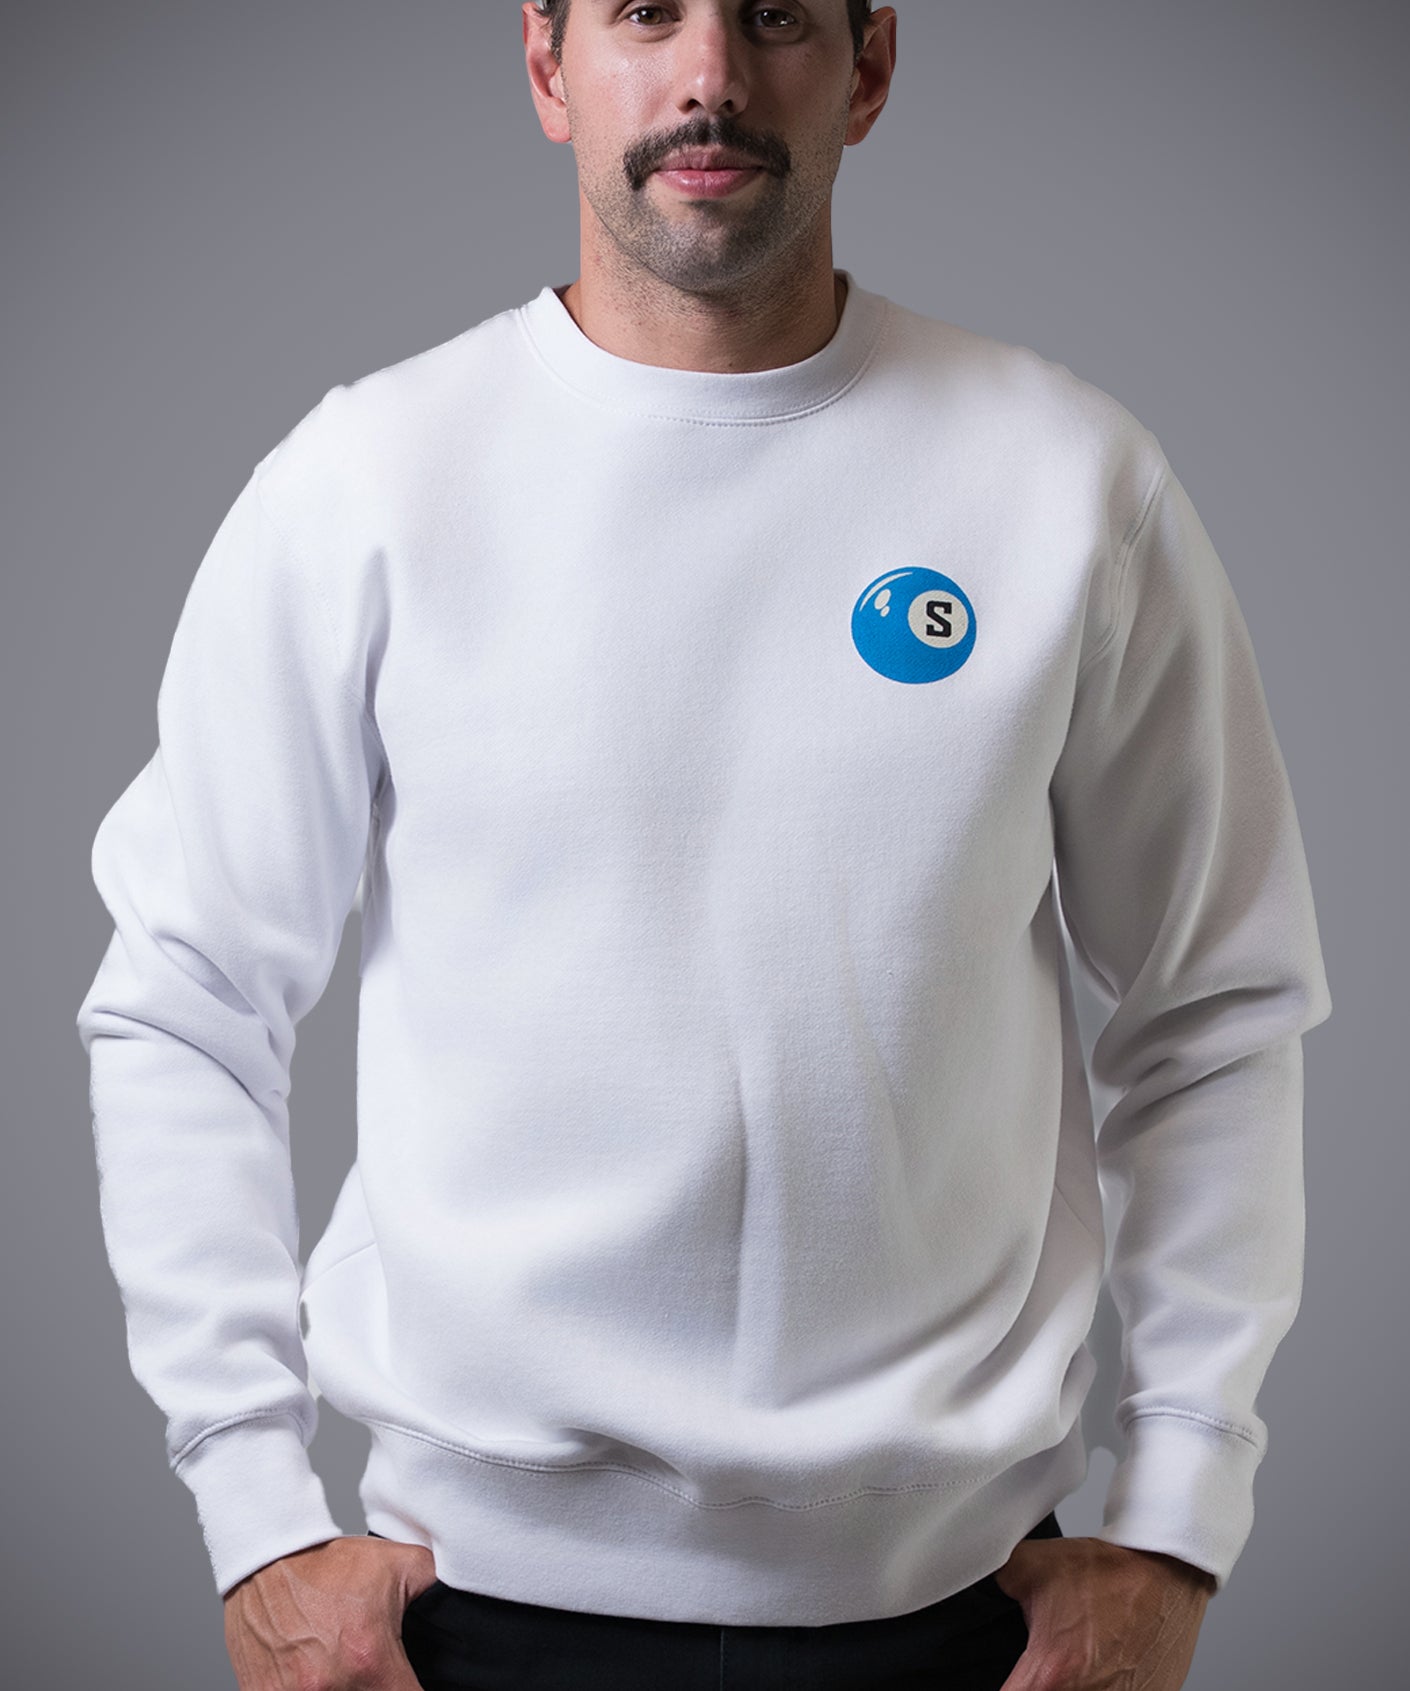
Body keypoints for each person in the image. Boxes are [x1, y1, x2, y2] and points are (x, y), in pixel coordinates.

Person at [74, 2, 1333, 1687]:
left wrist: (1178, 1516)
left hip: (964, 1616)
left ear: (867, 69)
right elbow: (185, 1001)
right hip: (465, 1614)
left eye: (777, 16)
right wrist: (255, 1512)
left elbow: (1215, 1015)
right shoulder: (369, 485)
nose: (710, 77)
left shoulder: (1063, 480)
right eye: (645, 14)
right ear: (547, 65)